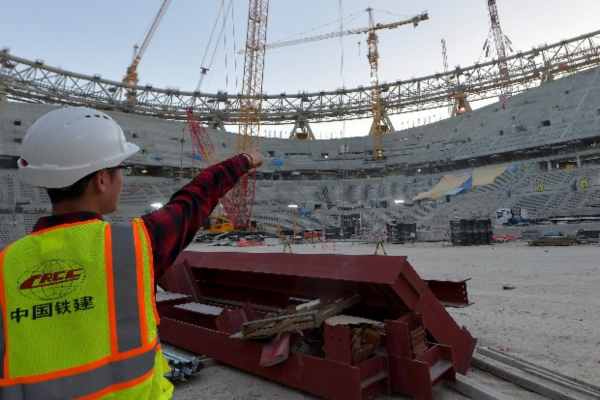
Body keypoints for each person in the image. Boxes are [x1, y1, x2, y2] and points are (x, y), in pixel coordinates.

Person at [0, 106, 263, 399]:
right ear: (101, 180)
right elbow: (196, 197)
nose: (123, 180)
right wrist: (245, 160)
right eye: (121, 170)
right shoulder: (133, 245)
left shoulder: (5, 264)